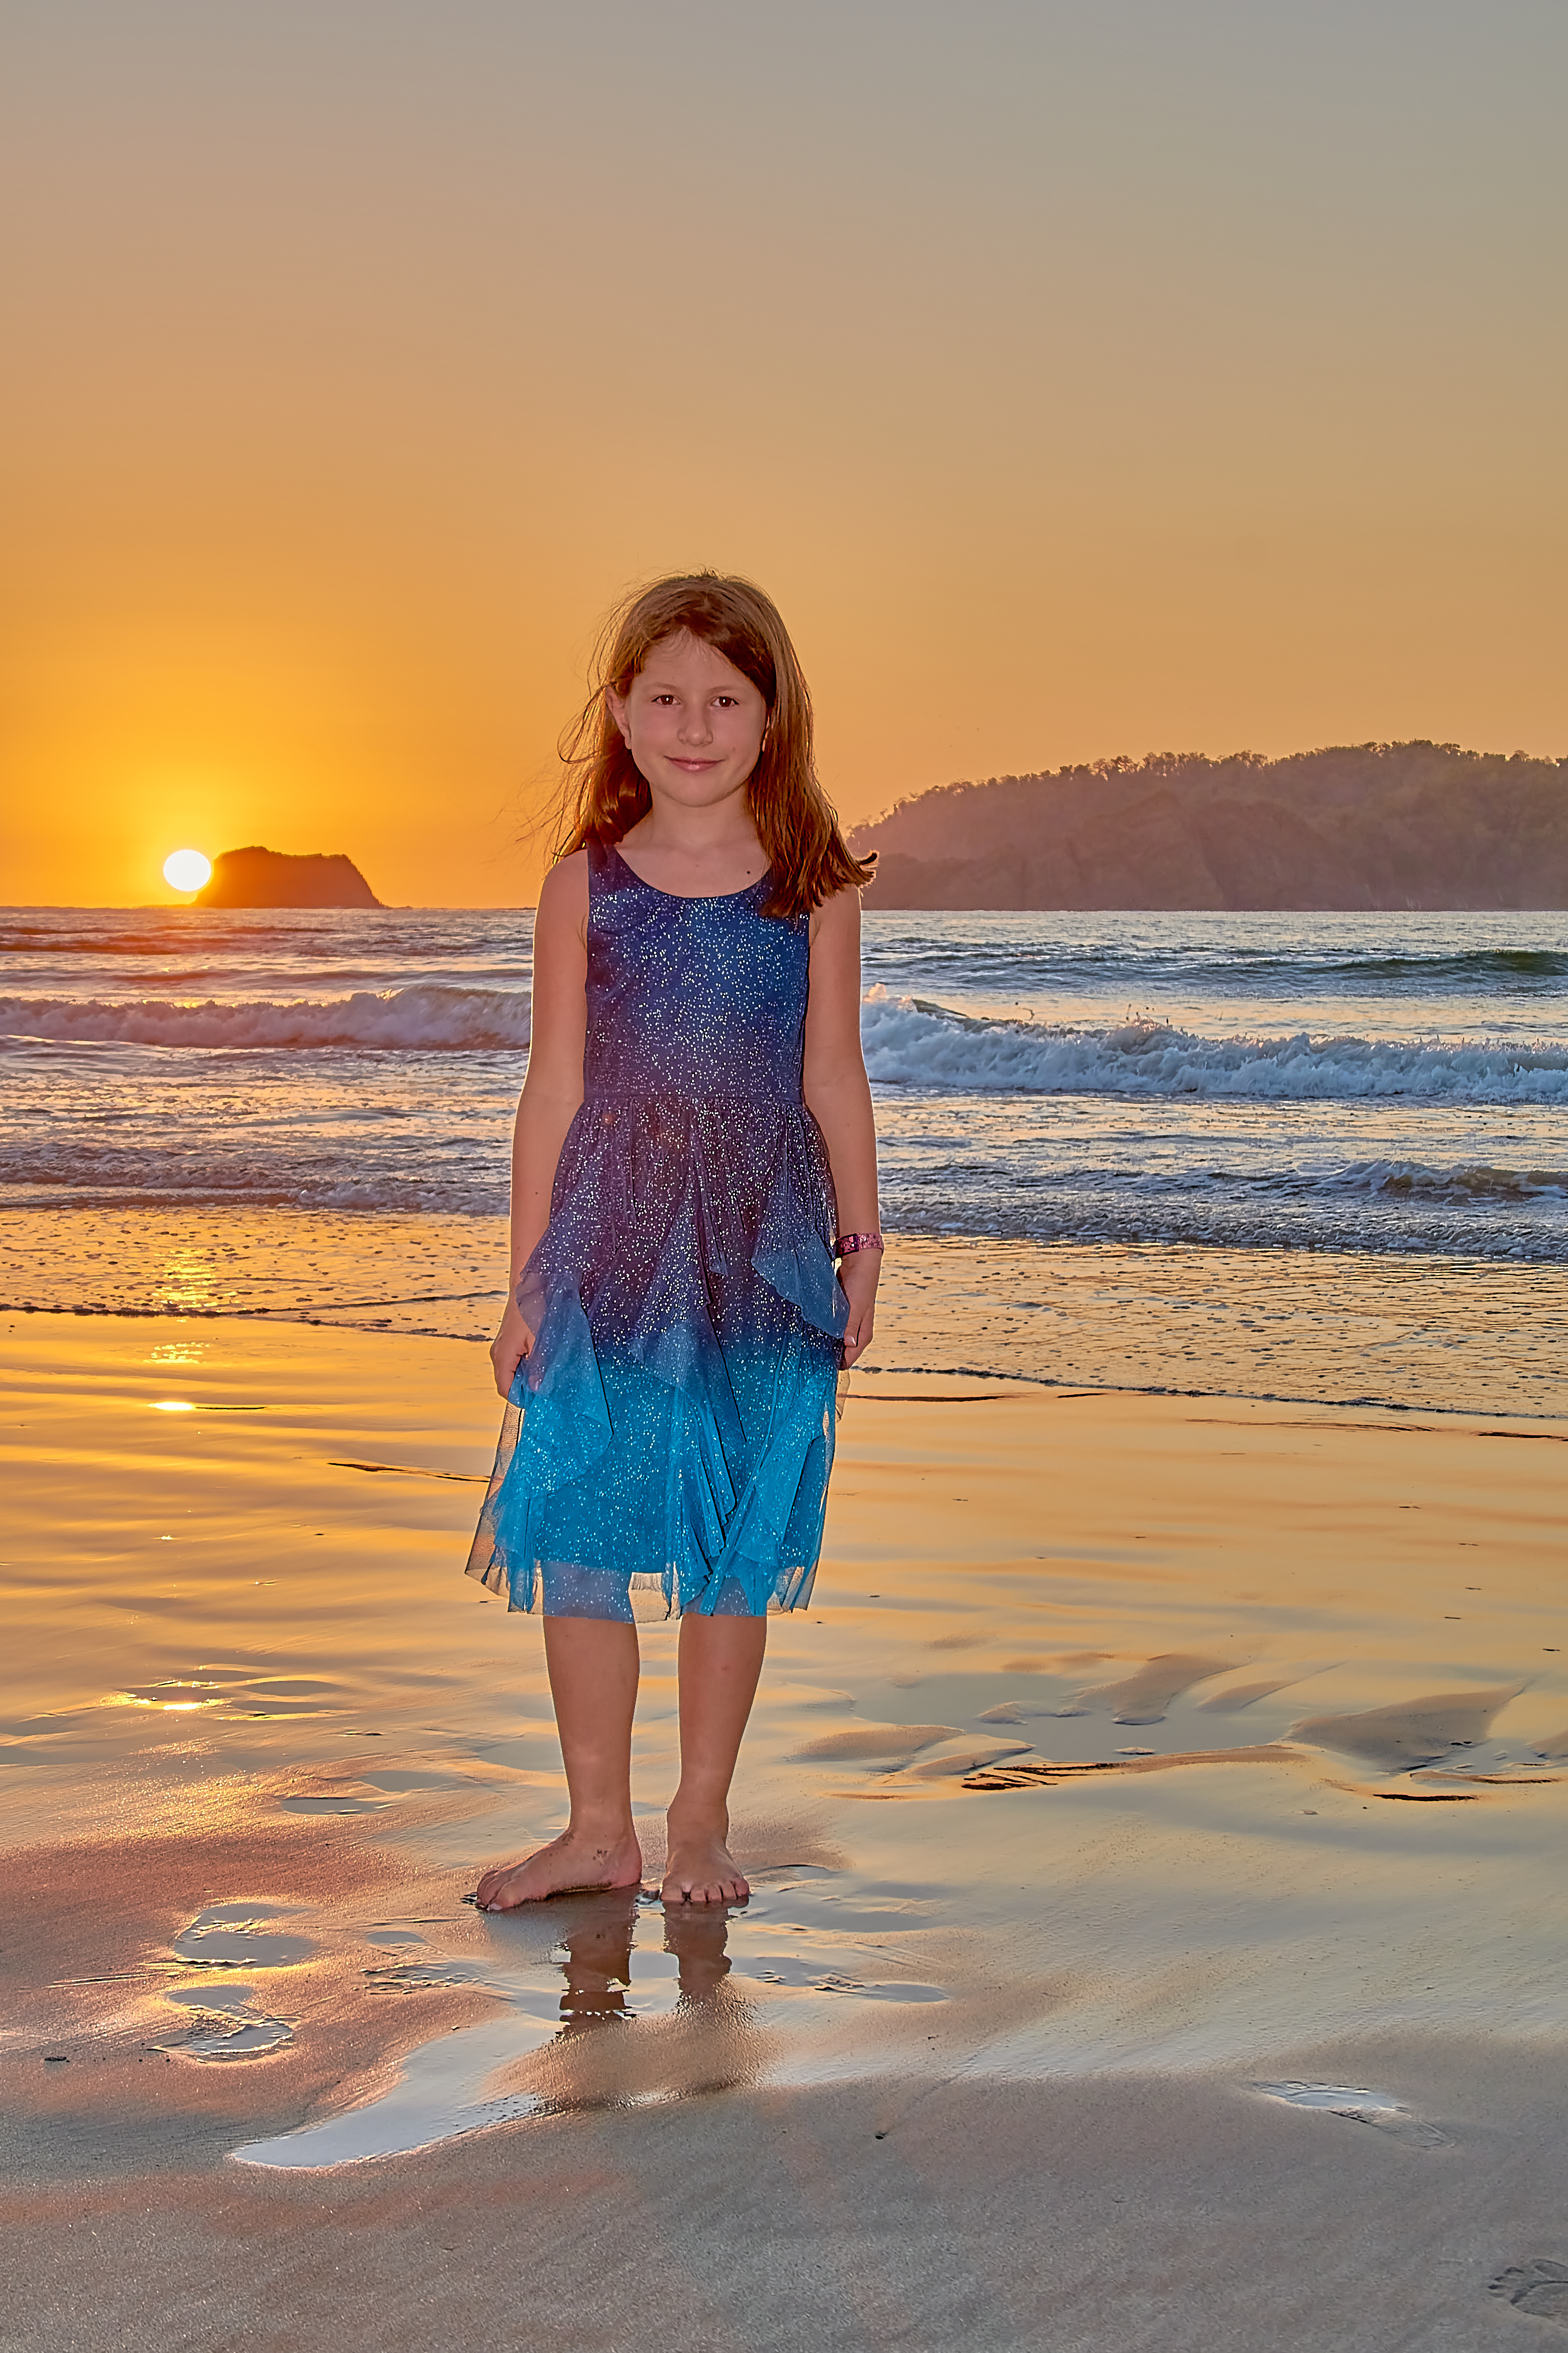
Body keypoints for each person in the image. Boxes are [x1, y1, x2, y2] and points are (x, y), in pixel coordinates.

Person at [467, 573, 882, 1912]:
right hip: (609, 1238)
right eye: (665, 698)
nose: (693, 724)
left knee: (731, 1536)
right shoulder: (582, 886)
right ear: (622, 714)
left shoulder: (813, 888)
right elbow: (553, 1090)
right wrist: (523, 1279)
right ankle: (597, 1827)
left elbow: (833, 1078)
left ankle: (697, 1820)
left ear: (772, 718)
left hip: (759, 1245)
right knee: (582, 1521)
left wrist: (859, 1242)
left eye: (724, 698)